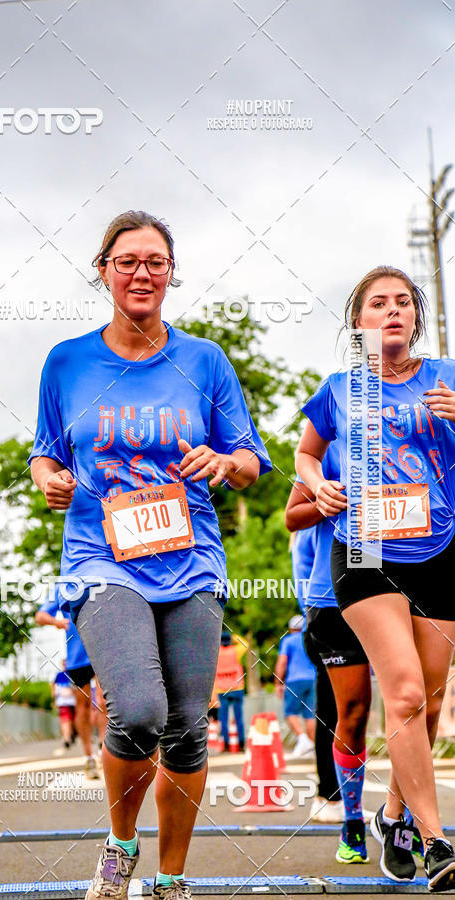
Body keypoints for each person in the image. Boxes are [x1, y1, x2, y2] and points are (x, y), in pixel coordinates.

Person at [29, 210, 271, 900]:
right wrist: (50, 480)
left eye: (155, 262)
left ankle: (171, 878)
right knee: (137, 711)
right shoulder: (67, 362)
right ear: (103, 270)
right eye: (127, 261)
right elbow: (46, 452)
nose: (142, 273)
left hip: (191, 559)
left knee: (189, 729)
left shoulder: (205, 361)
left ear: (171, 273)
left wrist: (223, 462)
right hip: (101, 557)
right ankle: (120, 844)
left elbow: (251, 461)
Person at [296, 265, 455, 892]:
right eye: (379, 303)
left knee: (430, 702)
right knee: (406, 693)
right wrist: (317, 486)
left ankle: (393, 816)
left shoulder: (447, 377)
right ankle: (437, 842)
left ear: (416, 316)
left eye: (403, 302)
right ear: (358, 321)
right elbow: (307, 454)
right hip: (364, 551)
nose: (393, 311)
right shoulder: (342, 389)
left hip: (440, 549)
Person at [287, 443, 385, 863]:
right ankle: (345, 813)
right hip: (332, 602)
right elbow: (294, 523)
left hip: (401, 590)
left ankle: (403, 819)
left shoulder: (422, 438)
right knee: (346, 712)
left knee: (413, 706)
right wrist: (328, 501)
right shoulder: (332, 446)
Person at [286, 514, 343, 825]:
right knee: (333, 714)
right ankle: (329, 795)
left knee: (340, 712)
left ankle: (334, 795)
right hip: (326, 617)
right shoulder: (313, 528)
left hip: (328, 618)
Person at [35, 597, 106, 778]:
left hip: (102, 651)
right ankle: (89, 757)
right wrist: (56, 622)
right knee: (82, 706)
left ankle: (104, 751)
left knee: (103, 701)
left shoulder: (102, 581)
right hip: (77, 658)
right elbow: (40, 616)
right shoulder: (63, 586)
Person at [274, 615, 317, 756]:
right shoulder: (310, 638)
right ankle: (312, 747)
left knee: (290, 713)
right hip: (313, 679)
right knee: (310, 715)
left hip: (294, 680)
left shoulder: (288, 641)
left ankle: (303, 739)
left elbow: (282, 662)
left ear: (291, 628)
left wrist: (278, 682)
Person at [214, 631, 245, 752]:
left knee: (223, 719)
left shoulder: (216, 653)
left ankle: (226, 745)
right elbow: (245, 644)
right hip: (237, 688)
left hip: (222, 690)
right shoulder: (236, 651)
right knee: (239, 718)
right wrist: (234, 636)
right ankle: (241, 744)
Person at [53, 668, 77, 748]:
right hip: (63, 703)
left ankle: (70, 735)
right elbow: (53, 686)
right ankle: (67, 738)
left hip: (73, 703)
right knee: (65, 720)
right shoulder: (59, 675)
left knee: (71, 721)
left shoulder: (74, 673)